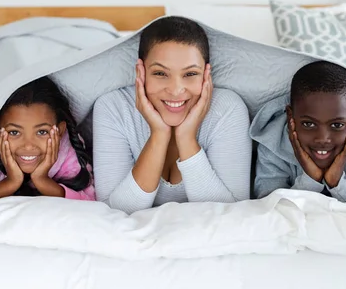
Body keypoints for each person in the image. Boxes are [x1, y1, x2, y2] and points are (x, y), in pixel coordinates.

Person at [93, 16, 251, 214]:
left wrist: (186, 137)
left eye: (190, 74)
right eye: (160, 73)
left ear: (206, 75)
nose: (176, 90)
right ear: (140, 72)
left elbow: (231, 214)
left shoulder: (227, 109)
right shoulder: (113, 108)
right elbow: (112, 212)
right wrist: (159, 135)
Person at [251, 61, 346, 202]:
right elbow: (268, 203)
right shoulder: (273, 144)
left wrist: (337, 183)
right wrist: (311, 179)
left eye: (337, 125)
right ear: (290, 117)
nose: (322, 139)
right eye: (309, 124)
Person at [0, 76, 95, 201]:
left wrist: (42, 180)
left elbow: (90, 201)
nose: (28, 146)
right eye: (14, 132)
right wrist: (11, 183)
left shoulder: (66, 149)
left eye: (42, 132)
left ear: (60, 131)